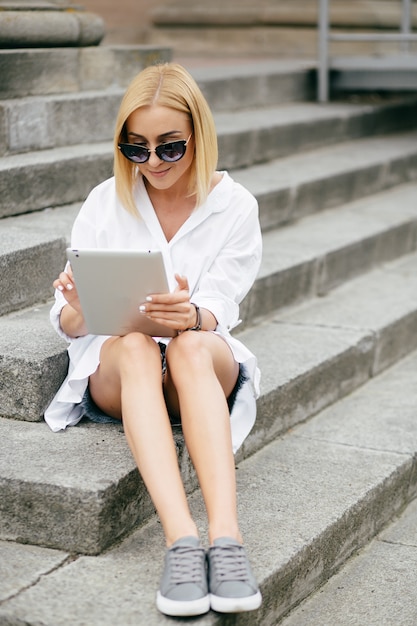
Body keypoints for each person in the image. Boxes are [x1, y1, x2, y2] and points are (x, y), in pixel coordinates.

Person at [45, 62, 263, 617]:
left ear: (199, 137)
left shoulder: (234, 206)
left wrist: (191, 313)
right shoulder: (105, 201)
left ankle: (227, 541)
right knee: (138, 345)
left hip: (199, 361)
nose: (153, 163)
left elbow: (222, 307)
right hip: (126, 369)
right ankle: (182, 544)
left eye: (170, 147)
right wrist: (79, 309)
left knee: (188, 344)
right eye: (136, 149)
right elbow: (70, 324)